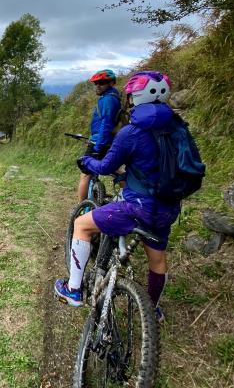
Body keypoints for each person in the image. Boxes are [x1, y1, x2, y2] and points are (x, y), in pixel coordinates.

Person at [55, 71, 179, 322]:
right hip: (167, 207)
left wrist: (88, 159)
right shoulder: (178, 130)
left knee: (81, 224)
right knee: (157, 260)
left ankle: (74, 290)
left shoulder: (131, 133)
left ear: (135, 98)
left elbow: (103, 166)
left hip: (137, 207)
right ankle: (151, 310)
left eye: (131, 96)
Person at [78, 69, 121, 202]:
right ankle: (130, 195)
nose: (98, 85)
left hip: (100, 141)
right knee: (116, 170)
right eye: (96, 83)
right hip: (108, 140)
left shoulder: (108, 100)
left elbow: (106, 123)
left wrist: (97, 146)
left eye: (102, 82)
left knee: (85, 174)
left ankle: (80, 208)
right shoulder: (112, 97)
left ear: (112, 83)